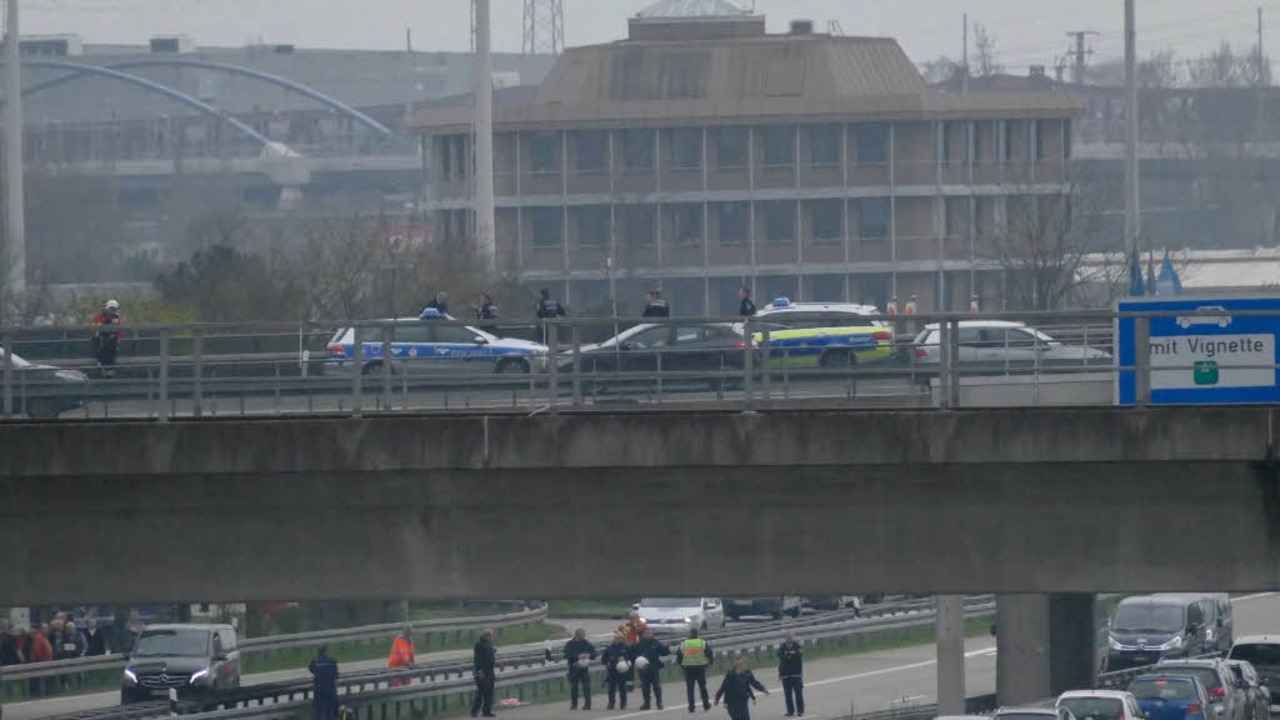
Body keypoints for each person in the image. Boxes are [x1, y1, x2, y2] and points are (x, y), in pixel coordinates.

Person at [677, 626, 714, 713]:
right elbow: (709, 653)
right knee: (702, 687)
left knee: (690, 688)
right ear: (697, 634)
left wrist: (682, 666)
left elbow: (679, 656)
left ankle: (691, 707)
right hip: (700, 668)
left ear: (689, 634)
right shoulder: (702, 643)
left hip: (688, 669)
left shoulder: (684, 644)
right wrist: (710, 662)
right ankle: (706, 704)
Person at [634, 627, 670, 710]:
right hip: (643, 669)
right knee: (645, 687)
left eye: (650, 633)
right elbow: (634, 654)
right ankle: (647, 704)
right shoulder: (639, 644)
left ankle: (659, 703)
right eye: (647, 633)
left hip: (654, 668)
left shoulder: (656, 643)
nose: (649, 634)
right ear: (643, 635)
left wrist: (667, 647)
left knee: (656, 686)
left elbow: (664, 652)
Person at [563, 627, 596, 711]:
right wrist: (577, 656)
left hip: (584, 669)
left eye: (584, 635)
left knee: (586, 687)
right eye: (582, 635)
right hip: (573, 668)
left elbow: (594, 653)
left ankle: (587, 705)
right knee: (574, 688)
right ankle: (574, 705)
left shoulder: (586, 643)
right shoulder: (570, 644)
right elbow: (566, 655)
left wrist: (589, 655)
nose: (583, 636)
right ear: (577, 635)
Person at [601, 631, 634, 710]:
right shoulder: (609, 648)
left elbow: (631, 657)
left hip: (622, 671)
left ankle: (623, 704)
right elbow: (603, 659)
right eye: (616, 638)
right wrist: (607, 663)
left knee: (622, 688)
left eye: (620, 638)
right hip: (612, 670)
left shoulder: (626, 647)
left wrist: (625, 660)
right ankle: (611, 703)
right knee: (611, 688)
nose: (618, 639)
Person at [90, 300, 123, 376]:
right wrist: (105, 322)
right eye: (111, 309)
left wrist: (117, 338)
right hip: (100, 339)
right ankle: (105, 367)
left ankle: (108, 369)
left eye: (114, 309)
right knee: (103, 344)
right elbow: (95, 327)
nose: (112, 311)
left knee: (112, 344)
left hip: (112, 342)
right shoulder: (100, 316)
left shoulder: (116, 318)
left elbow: (119, 331)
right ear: (106, 308)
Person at [308, 645, 340, 720]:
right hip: (330, 691)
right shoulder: (332, 661)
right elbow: (336, 675)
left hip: (319, 691)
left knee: (318, 713)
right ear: (326, 652)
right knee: (331, 712)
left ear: (318, 652)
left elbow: (311, 669)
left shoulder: (314, 661)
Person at [777, 633, 805, 717]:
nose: (789, 639)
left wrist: (788, 654)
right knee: (788, 695)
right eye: (787, 638)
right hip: (785, 675)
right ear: (785, 639)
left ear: (792, 638)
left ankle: (800, 711)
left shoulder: (798, 646)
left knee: (798, 694)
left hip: (796, 674)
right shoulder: (781, 647)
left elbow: (799, 654)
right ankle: (790, 711)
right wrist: (791, 654)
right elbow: (780, 655)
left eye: (790, 638)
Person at [471, 629, 497, 718]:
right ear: (486, 636)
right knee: (480, 692)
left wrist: (493, 651)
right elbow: (478, 659)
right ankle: (474, 712)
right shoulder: (479, 645)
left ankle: (487, 711)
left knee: (489, 692)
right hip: (481, 671)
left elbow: (489, 657)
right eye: (490, 636)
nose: (492, 638)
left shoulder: (489, 645)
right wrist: (479, 671)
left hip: (489, 671)